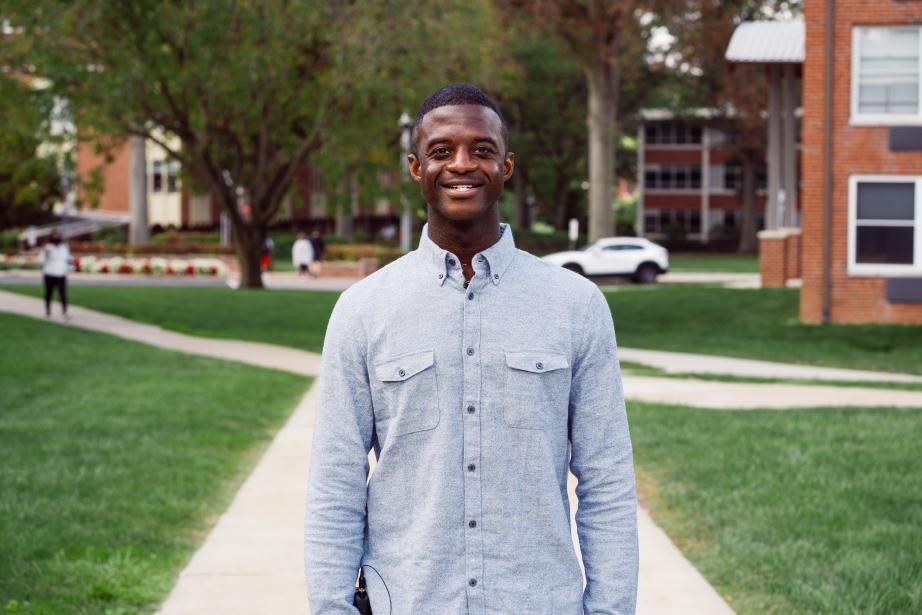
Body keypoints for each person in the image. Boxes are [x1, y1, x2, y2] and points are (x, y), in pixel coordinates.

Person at [304, 84, 638, 615]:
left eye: (482, 149)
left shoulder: (576, 305)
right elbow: (336, 485)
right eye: (442, 151)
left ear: (506, 166)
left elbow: (608, 483)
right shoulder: (362, 310)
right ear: (416, 167)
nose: (462, 164)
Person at [41, 230, 71, 320]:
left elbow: (68, 258)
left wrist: (69, 269)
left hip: (61, 273)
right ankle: (48, 311)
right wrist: (46, 255)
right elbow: (41, 260)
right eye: (54, 235)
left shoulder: (64, 246)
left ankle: (64, 312)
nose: (56, 237)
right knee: (49, 293)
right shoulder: (47, 246)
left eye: (58, 235)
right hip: (49, 273)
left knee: (63, 294)